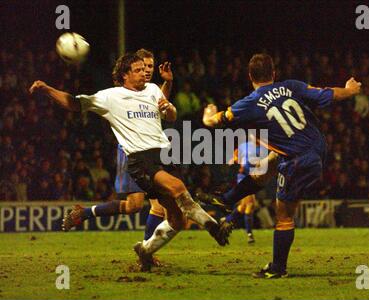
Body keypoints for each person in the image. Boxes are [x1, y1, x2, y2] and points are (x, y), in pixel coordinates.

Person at [29, 52, 232, 272]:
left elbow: (171, 116)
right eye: (137, 70)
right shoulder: (110, 96)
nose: (144, 72)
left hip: (164, 153)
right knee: (178, 189)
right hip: (140, 158)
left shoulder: (153, 89)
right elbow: (74, 103)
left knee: (177, 220)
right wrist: (47, 89)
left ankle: (145, 250)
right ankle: (215, 228)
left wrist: (169, 107)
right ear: (125, 75)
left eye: (145, 69)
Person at [202, 53, 361, 278]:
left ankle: (278, 269)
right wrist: (350, 90)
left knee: (284, 216)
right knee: (266, 167)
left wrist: (207, 115)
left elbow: (215, 121)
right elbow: (328, 93)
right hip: (317, 147)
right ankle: (227, 200)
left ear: (250, 76)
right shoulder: (292, 86)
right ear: (274, 73)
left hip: (298, 160)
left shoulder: (248, 103)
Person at [62, 50, 173, 258]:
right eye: (143, 67)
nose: (148, 71)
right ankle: (146, 253)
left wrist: (168, 84)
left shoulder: (151, 90)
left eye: (150, 67)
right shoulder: (122, 93)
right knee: (145, 206)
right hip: (132, 153)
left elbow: (162, 107)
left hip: (152, 153)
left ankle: (84, 214)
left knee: (138, 206)